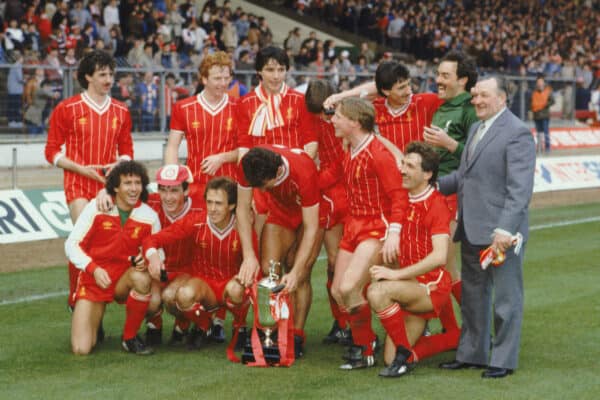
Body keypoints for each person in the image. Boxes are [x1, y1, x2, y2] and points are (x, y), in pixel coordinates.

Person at [438, 76, 536, 379]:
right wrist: (432, 184)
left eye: (483, 95)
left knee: (506, 299)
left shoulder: (517, 133)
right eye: (475, 95)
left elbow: (519, 189)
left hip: (500, 234)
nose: (476, 100)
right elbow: (465, 175)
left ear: (502, 98)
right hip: (471, 227)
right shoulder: (475, 128)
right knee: (473, 297)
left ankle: (503, 360)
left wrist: (505, 230)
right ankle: (472, 353)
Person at [44, 50, 133, 311]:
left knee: (106, 244)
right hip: (78, 181)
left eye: (111, 74)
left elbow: (127, 149)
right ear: (87, 77)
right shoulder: (67, 108)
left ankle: (96, 300)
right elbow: (51, 151)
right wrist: (82, 169)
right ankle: (77, 297)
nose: (108, 79)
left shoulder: (121, 110)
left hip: (108, 182)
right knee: (83, 239)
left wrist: (118, 164)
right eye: (102, 74)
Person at [329, 98, 408, 370]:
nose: (333, 121)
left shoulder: (377, 153)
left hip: (376, 227)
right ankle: (367, 340)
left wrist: (395, 233)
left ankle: (365, 346)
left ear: (355, 122)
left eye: (338, 116)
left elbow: (398, 196)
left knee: (350, 287)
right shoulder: (349, 149)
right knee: (338, 291)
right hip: (354, 226)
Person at [367, 141, 454, 378]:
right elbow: (394, 154)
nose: (402, 170)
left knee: (377, 292)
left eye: (410, 167)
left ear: (427, 174)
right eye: (403, 164)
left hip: (429, 288)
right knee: (388, 359)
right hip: (408, 286)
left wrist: (395, 275)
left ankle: (404, 351)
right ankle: (457, 338)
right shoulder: (402, 197)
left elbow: (440, 257)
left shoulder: (436, 204)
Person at [144, 177, 250, 351]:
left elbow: (253, 261)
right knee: (182, 295)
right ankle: (204, 325)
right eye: (209, 202)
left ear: (231, 206)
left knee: (237, 289)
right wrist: (153, 256)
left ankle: (240, 327)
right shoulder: (197, 220)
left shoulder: (242, 227)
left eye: (218, 203)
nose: (212, 209)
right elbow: (153, 239)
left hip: (230, 283)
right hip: (203, 284)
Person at [66, 161, 160, 355]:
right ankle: (95, 317)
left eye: (138, 183)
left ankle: (130, 338)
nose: (134, 188)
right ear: (115, 187)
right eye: (128, 183)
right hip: (95, 280)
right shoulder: (97, 208)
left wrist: (147, 258)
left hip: (123, 280)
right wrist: (93, 268)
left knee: (142, 279)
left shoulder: (149, 216)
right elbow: (71, 245)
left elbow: (159, 252)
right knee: (81, 349)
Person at [236, 145, 321, 357]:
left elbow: (311, 227)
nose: (262, 191)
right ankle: (271, 332)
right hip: (282, 210)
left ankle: (297, 333)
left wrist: (295, 271)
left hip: (311, 213)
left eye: (265, 186)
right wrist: (248, 255)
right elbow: (242, 208)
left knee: (298, 272)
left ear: (277, 172)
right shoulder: (247, 164)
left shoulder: (303, 171)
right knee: (269, 270)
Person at [422, 50, 478, 313]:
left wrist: (449, 144)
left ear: (463, 80)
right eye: (438, 74)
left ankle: (473, 331)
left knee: (446, 262)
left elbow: (480, 155)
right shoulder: (443, 107)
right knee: (439, 264)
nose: (438, 80)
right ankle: (458, 330)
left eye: (445, 75)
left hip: (454, 194)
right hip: (434, 192)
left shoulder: (470, 109)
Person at [304, 79, 351, 345]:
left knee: (354, 263)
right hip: (331, 197)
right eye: (319, 113)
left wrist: (318, 181)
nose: (324, 118)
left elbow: (346, 159)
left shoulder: (350, 117)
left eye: (327, 112)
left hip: (352, 195)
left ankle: (355, 322)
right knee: (334, 262)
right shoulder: (315, 120)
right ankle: (342, 321)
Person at [164, 51, 239, 203]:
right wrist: (172, 178)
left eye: (227, 78)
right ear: (204, 79)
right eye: (217, 78)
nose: (223, 83)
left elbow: (246, 150)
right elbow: (172, 146)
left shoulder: (240, 107)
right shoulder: (183, 107)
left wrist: (222, 158)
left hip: (230, 186)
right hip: (196, 185)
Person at [531, 75, 554, 154]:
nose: (540, 83)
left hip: (544, 115)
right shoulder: (534, 92)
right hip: (536, 115)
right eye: (538, 82)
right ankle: (539, 147)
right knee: (538, 132)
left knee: (546, 131)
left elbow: (552, 101)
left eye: (541, 82)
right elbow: (531, 103)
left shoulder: (548, 91)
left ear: (544, 83)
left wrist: (545, 104)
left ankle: (547, 147)